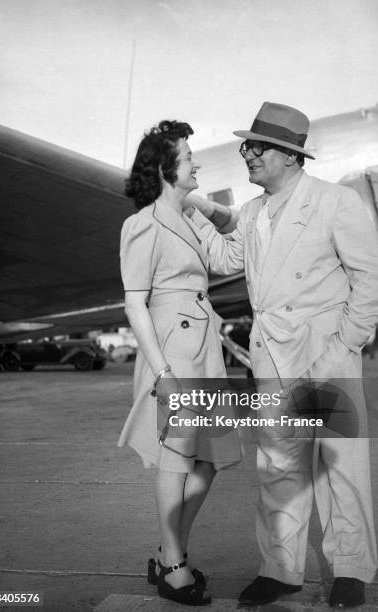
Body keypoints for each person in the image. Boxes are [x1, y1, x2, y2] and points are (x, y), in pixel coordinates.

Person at [190, 102, 378, 607]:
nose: (248, 156)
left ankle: (349, 570)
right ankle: (281, 571)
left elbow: (373, 281)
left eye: (257, 148)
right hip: (272, 361)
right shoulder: (255, 213)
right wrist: (189, 205)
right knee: (279, 469)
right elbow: (223, 257)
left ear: (289, 155)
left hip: (323, 353)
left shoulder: (335, 202)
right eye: (247, 146)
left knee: (340, 467)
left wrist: (343, 344)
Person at [118, 120, 241, 606]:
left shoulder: (191, 219)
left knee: (208, 464)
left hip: (204, 350)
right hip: (173, 353)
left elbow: (233, 258)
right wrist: (164, 376)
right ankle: (173, 566)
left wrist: (205, 205)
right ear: (167, 169)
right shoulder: (141, 225)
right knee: (176, 461)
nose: (197, 164)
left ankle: (172, 554)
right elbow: (134, 304)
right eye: (189, 159)